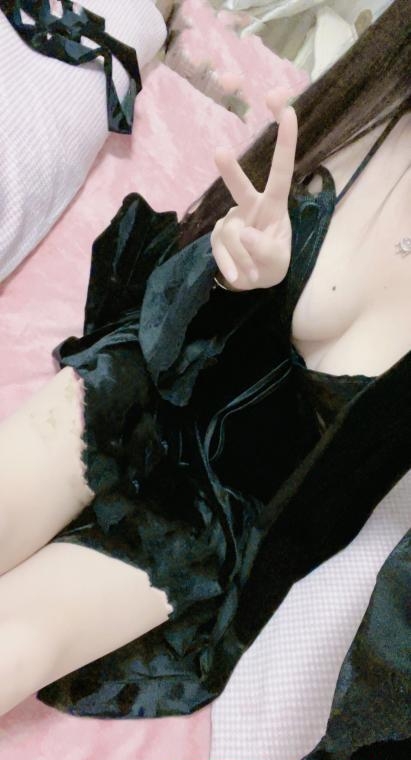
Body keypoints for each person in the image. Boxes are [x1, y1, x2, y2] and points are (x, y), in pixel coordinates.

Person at [0, 0, 409, 755]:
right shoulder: (376, 105)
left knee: (15, 646)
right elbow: (190, 285)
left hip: (222, 509)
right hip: (164, 371)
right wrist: (234, 272)